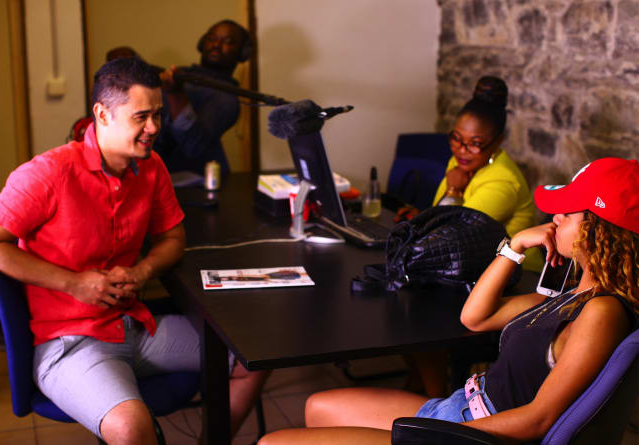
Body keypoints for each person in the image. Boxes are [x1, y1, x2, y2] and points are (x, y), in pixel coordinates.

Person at [0, 57, 267, 445]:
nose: (154, 129)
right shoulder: (48, 172)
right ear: (102, 114)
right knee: (131, 427)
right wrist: (74, 283)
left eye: (158, 115)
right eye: (142, 117)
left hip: (134, 326)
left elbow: (173, 240)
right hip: (69, 341)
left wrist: (142, 272)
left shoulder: (152, 168)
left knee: (254, 357)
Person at [256, 157, 638, 445]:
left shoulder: (601, 312)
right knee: (316, 408)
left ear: (599, 231)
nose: (553, 218)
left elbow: (539, 420)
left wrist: (441, 435)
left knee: (272, 443)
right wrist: (515, 246)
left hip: (471, 435)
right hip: (461, 407)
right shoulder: (572, 294)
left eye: (567, 214)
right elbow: (475, 317)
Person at [396, 76, 542, 273]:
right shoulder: (462, 161)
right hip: (473, 266)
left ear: (498, 141)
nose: (461, 150)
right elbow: (440, 222)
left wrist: (454, 191)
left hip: (518, 276)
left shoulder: (503, 181)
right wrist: (421, 219)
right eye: (456, 138)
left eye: (475, 143)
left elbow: (451, 239)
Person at [155, 19, 251, 176]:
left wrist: (175, 94)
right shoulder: (181, 74)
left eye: (227, 41)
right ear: (202, 43)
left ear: (242, 53)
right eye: (211, 39)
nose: (216, 45)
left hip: (191, 185)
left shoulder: (227, 98)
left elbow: (194, 145)